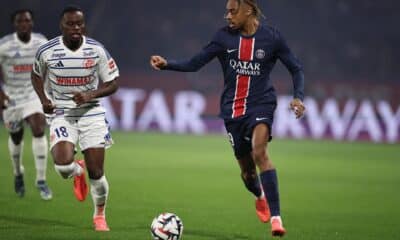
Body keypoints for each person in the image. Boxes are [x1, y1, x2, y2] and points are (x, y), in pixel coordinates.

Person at [150, 0, 305, 237]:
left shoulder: (272, 38)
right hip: (233, 112)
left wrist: (298, 97)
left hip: (262, 104)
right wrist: (167, 64)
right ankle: (259, 196)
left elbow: (296, 68)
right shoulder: (223, 38)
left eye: (233, 11)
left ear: (249, 10)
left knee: (260, 152)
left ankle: (276, 218)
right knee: (248, 174)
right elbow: (195, 63)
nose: (228, 16)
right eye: (227, 11)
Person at [31, 6, 119, 231]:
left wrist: (90, 94)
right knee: (62, 167)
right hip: (62, 113)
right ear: (62, 26)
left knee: (97, 172)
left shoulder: (96, 50)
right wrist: (44, 99)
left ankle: (100, 216)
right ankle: (76, 171)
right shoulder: (47, 51)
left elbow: (113, 83)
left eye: (79, 24)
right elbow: (36, 74)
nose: (76, 28)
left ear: (84, 25)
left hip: (91, 113)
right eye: (71, 24)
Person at [0, 9, 52, 200]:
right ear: (15, 24)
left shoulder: (41, 42)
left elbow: (51, 65)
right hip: (11, 98)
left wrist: (48, 90)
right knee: (16, 137)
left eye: (27, 21)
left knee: (39, 128)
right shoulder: (4, 45)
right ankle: (17, 173)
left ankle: (41, 180)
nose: (24, 24)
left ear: (32, 23)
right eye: (20, 21)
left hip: (33, 95)